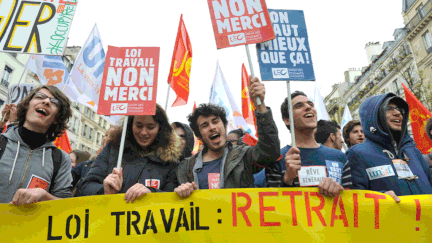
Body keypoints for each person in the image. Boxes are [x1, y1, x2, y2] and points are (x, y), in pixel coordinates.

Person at [175, 77, 280, 196]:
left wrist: (260, 106)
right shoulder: (185, 167)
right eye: (205, 125)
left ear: (225, 126)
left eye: (215, 121)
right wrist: (181, 191)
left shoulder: (243, 156)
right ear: (199, 136)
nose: (212, 127)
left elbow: (270, 153)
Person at [78, 104, 182, 203]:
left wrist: (152, 193)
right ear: (130, 124)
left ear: (160, 128)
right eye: (139, 126)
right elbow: (85, 187)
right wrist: (104, 190)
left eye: (150, 127)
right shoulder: (113, 150)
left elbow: (173, 198)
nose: (143, 132)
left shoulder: (169, 161)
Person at [346, 93, 432, 201]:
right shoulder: (357, 154)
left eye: (398, 109)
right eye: (389, 108)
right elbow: (355, 200)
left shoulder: (413, 151)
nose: (397, 113)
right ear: (374, 116)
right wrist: (380, 197)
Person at [264, 91, 351, 197]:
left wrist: (340, 191)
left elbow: (352, 201)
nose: (308, 107)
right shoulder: (277, 159)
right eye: (299, 106)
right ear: (287, 120)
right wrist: (288, 179)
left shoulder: (339, 157)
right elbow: (274, 206)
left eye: (311, 104)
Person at [0, 86, 73, 205]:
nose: (46, 101)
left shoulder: (61, 159)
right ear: (27, 105)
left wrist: (44, 195)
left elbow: (65, 205)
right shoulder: (1, 142)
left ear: (56, 119)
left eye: (54, 103)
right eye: (40, 97)